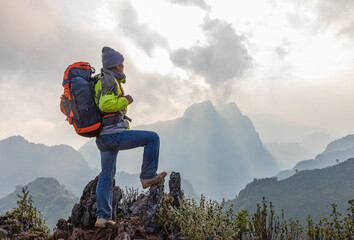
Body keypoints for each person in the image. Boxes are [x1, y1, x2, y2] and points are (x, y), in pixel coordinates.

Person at [94, 46, 167, 228]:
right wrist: (126, 100)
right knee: (152, 138)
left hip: (103, 137)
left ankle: (102, 217)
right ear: (115, 65)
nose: (123, 66)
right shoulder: (108, 81)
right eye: (121, 63)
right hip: (112, 135)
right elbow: (105, 104)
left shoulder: (104, 80)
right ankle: (147, 176)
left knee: (107, 175)